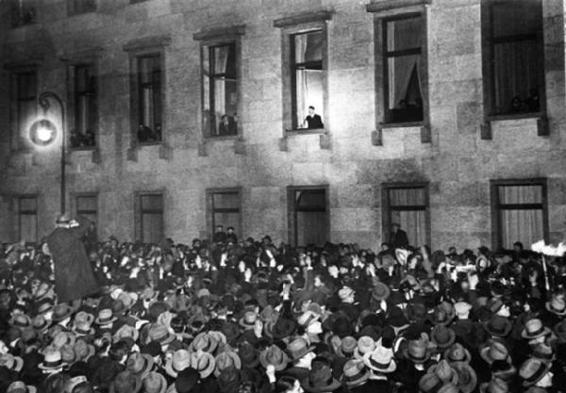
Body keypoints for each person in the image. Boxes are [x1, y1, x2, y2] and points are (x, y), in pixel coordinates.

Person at [45, 214, 100, 303]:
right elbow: (87, 223)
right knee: (77, 302)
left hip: (61, 276)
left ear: (57, 223)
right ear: (68, 223)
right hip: (75, 275)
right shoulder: (72, 233)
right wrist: (75, 217)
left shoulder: (51, 237)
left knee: (65, 303)